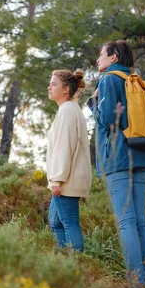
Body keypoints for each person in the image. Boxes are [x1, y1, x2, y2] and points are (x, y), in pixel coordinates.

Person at [91, 40, 145, 288]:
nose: (98, 59)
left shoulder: (109, 80)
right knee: (139, 222)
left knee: (125, 221)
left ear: (113, 56)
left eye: (101, 54)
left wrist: (94, 104)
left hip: (119, 158)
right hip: (139, 154)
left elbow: (109, 121)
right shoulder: (132, 78)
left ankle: (138, 287)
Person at [46, 69, 93, 253]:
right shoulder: (70, 109)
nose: (49, 87)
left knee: (68, 222)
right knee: (56, 222)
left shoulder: (67, 111)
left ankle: (75, 268)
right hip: (68, 177)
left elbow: (64, 147)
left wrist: (56, 179)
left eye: (54, 84)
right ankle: (63, 264)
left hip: (65, 179)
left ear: (66, 89)